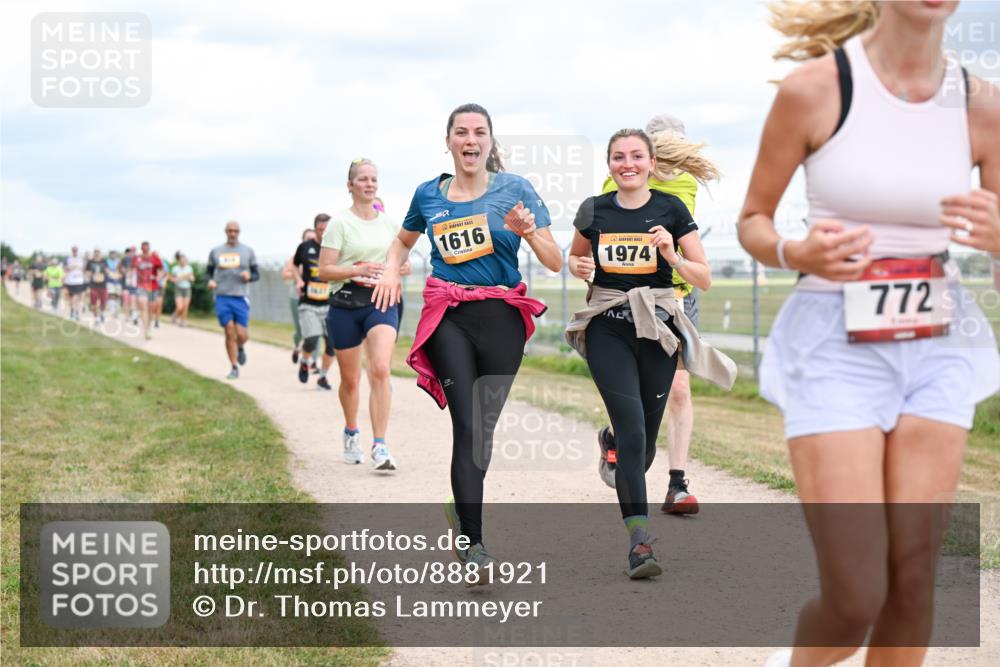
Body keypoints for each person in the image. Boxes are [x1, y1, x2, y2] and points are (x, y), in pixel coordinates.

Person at [737, 2, 1000, 665]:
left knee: (912, 584)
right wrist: (797, 252)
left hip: (939, 341)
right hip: (834, 341)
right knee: (856, 596)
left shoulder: (983, 106)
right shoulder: (815, 90)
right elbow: (752, 220)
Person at [373, 103, 563, 579]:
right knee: (468, 426)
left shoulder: (514, 190)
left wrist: (529, 234)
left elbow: (555, 260)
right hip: (449, 316)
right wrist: (393, 270)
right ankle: (473, 544)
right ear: (449, 141)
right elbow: (402, 241)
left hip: (501, 316)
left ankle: (461, 510)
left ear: (490, 142)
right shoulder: (428, 194)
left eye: (479, 132)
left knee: (484, 431)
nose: (470, 139)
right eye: (462, 132)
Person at [566, 129, 732, 579]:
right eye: (619, 157)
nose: (628, 164)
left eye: (636, 156)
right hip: (608, 328)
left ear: (652, 162)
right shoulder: (593, 209)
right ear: (609, 165)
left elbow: (703, 277)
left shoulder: (671, 209)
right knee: (635, 433)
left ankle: (612, 445)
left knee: (642, 452)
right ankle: (640, 545)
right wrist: (578, 264)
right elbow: (576, 259)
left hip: (657, 329)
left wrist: (671, 256)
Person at [597, 114, 722, 517]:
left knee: (679, 390)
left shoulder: (684, 185)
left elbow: (683, 242)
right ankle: (614, 437)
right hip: (628, 303)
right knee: (635, 398)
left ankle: (677, 484)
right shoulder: (616, 182)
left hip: (676, 298)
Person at [319, 160, 409, 469]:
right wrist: (356, 269)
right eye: (363, 180)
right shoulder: (339, 224)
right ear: (350, 186)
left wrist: (392, 269)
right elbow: (325, 270)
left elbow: (404, 263)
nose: (370, 184)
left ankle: (380, 445)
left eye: (374, 179)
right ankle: (351, 431)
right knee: (351, 380)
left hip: (381, 301)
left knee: (381, 369)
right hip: (345, 304)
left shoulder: (389, 225)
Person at [206, 221, 259, 379]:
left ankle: (240, 346)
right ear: (225, 232)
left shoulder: (248, 251)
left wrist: (249, 276)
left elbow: (257, 274)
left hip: (240, 297)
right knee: (229, 330)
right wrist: (210, 281)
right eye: (230, 231)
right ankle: (234, 366)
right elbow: (207, 273)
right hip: (222, 296)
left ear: (239, 232)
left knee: (242, 335)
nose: (233, 233)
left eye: (235, 231)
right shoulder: (216, 251)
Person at [293, 215, 336, 391]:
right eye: (320, 229)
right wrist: (298, 280)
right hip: (308, 303)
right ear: (315, 229)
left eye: (327, 229)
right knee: (311, 338)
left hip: (330, 304)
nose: (324, 232)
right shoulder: (304, 247)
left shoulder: (336, 248)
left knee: (332, 343)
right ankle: (304, 360)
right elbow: (294, 266)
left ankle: (323, 377)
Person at [282, 228, 315, 364]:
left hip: (315, 297)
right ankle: (297, 347)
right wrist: (299, 275)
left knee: (314, 330)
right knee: (301, 330)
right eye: (308, 239)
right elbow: (285, 275)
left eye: (313, 238)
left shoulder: (319, 256)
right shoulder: (295, 257)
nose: (311, 241)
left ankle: (313, 361)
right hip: (296, 298)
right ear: (303, 240)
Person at [133, 242, 163, 340]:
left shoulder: (155, 258)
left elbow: (161, 271)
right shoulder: (137, 258)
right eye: (143, 248)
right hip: (141, 285)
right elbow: (131, 270)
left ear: (149, 248)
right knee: (143, 305)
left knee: (152, 307)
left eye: (147, 247)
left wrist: (157, 276)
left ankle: (149, 326)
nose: (145, 249)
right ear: (141, 248)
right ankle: (146, 329)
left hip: (153, 286)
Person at [85, 248, 110, 324]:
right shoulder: (90, 262)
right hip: (93, 285)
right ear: (94, 253)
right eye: (95, 252)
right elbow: (87, 272)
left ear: (100, 253)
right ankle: (96, 318)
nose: (97, 254)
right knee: (94, 304)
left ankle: (101, 313)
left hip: (103, 285)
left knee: (104, 303)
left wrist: (110, 273)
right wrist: (91, 274)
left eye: (98, 252)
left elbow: (107, 270)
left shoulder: (104, 261)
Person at [171, 253, 194, 327]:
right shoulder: (175, 268)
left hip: (187, 288)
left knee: (185, 306)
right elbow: (172, 278)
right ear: (179, 261)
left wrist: (190, 278)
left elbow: (192, 278)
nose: (183, 261)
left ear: (186, 261)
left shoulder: (189, 268)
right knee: (180, 307)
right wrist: (177, 279)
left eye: (184, 260)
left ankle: (183, 321)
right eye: (181, 260)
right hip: (178, 288)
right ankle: (175, 315)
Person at [63, 246, 86, 320]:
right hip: (70, 281)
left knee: (76, 297)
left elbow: (84, 269)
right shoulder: (68, 259)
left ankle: (76, 313)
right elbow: (64, 268)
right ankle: (72, 311)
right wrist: (70, 268)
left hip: (78, 281)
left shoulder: (81, 259)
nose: (75, 251)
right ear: (72, 251)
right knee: (71, 298)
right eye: (73, 250)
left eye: (76, 250)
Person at [106, 249, 122, 319]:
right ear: (110, 255)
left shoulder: (119, 262)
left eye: (114, 254)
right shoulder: (107, 262)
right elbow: (107, 270)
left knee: (118, 296)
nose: (113, 255)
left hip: (118, 281)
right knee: (111, 295)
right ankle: (112, 312)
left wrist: (119, 275)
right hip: (110, 281)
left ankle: (117, 311)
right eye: (112, 254)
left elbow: (121, 271)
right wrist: (112, 275)